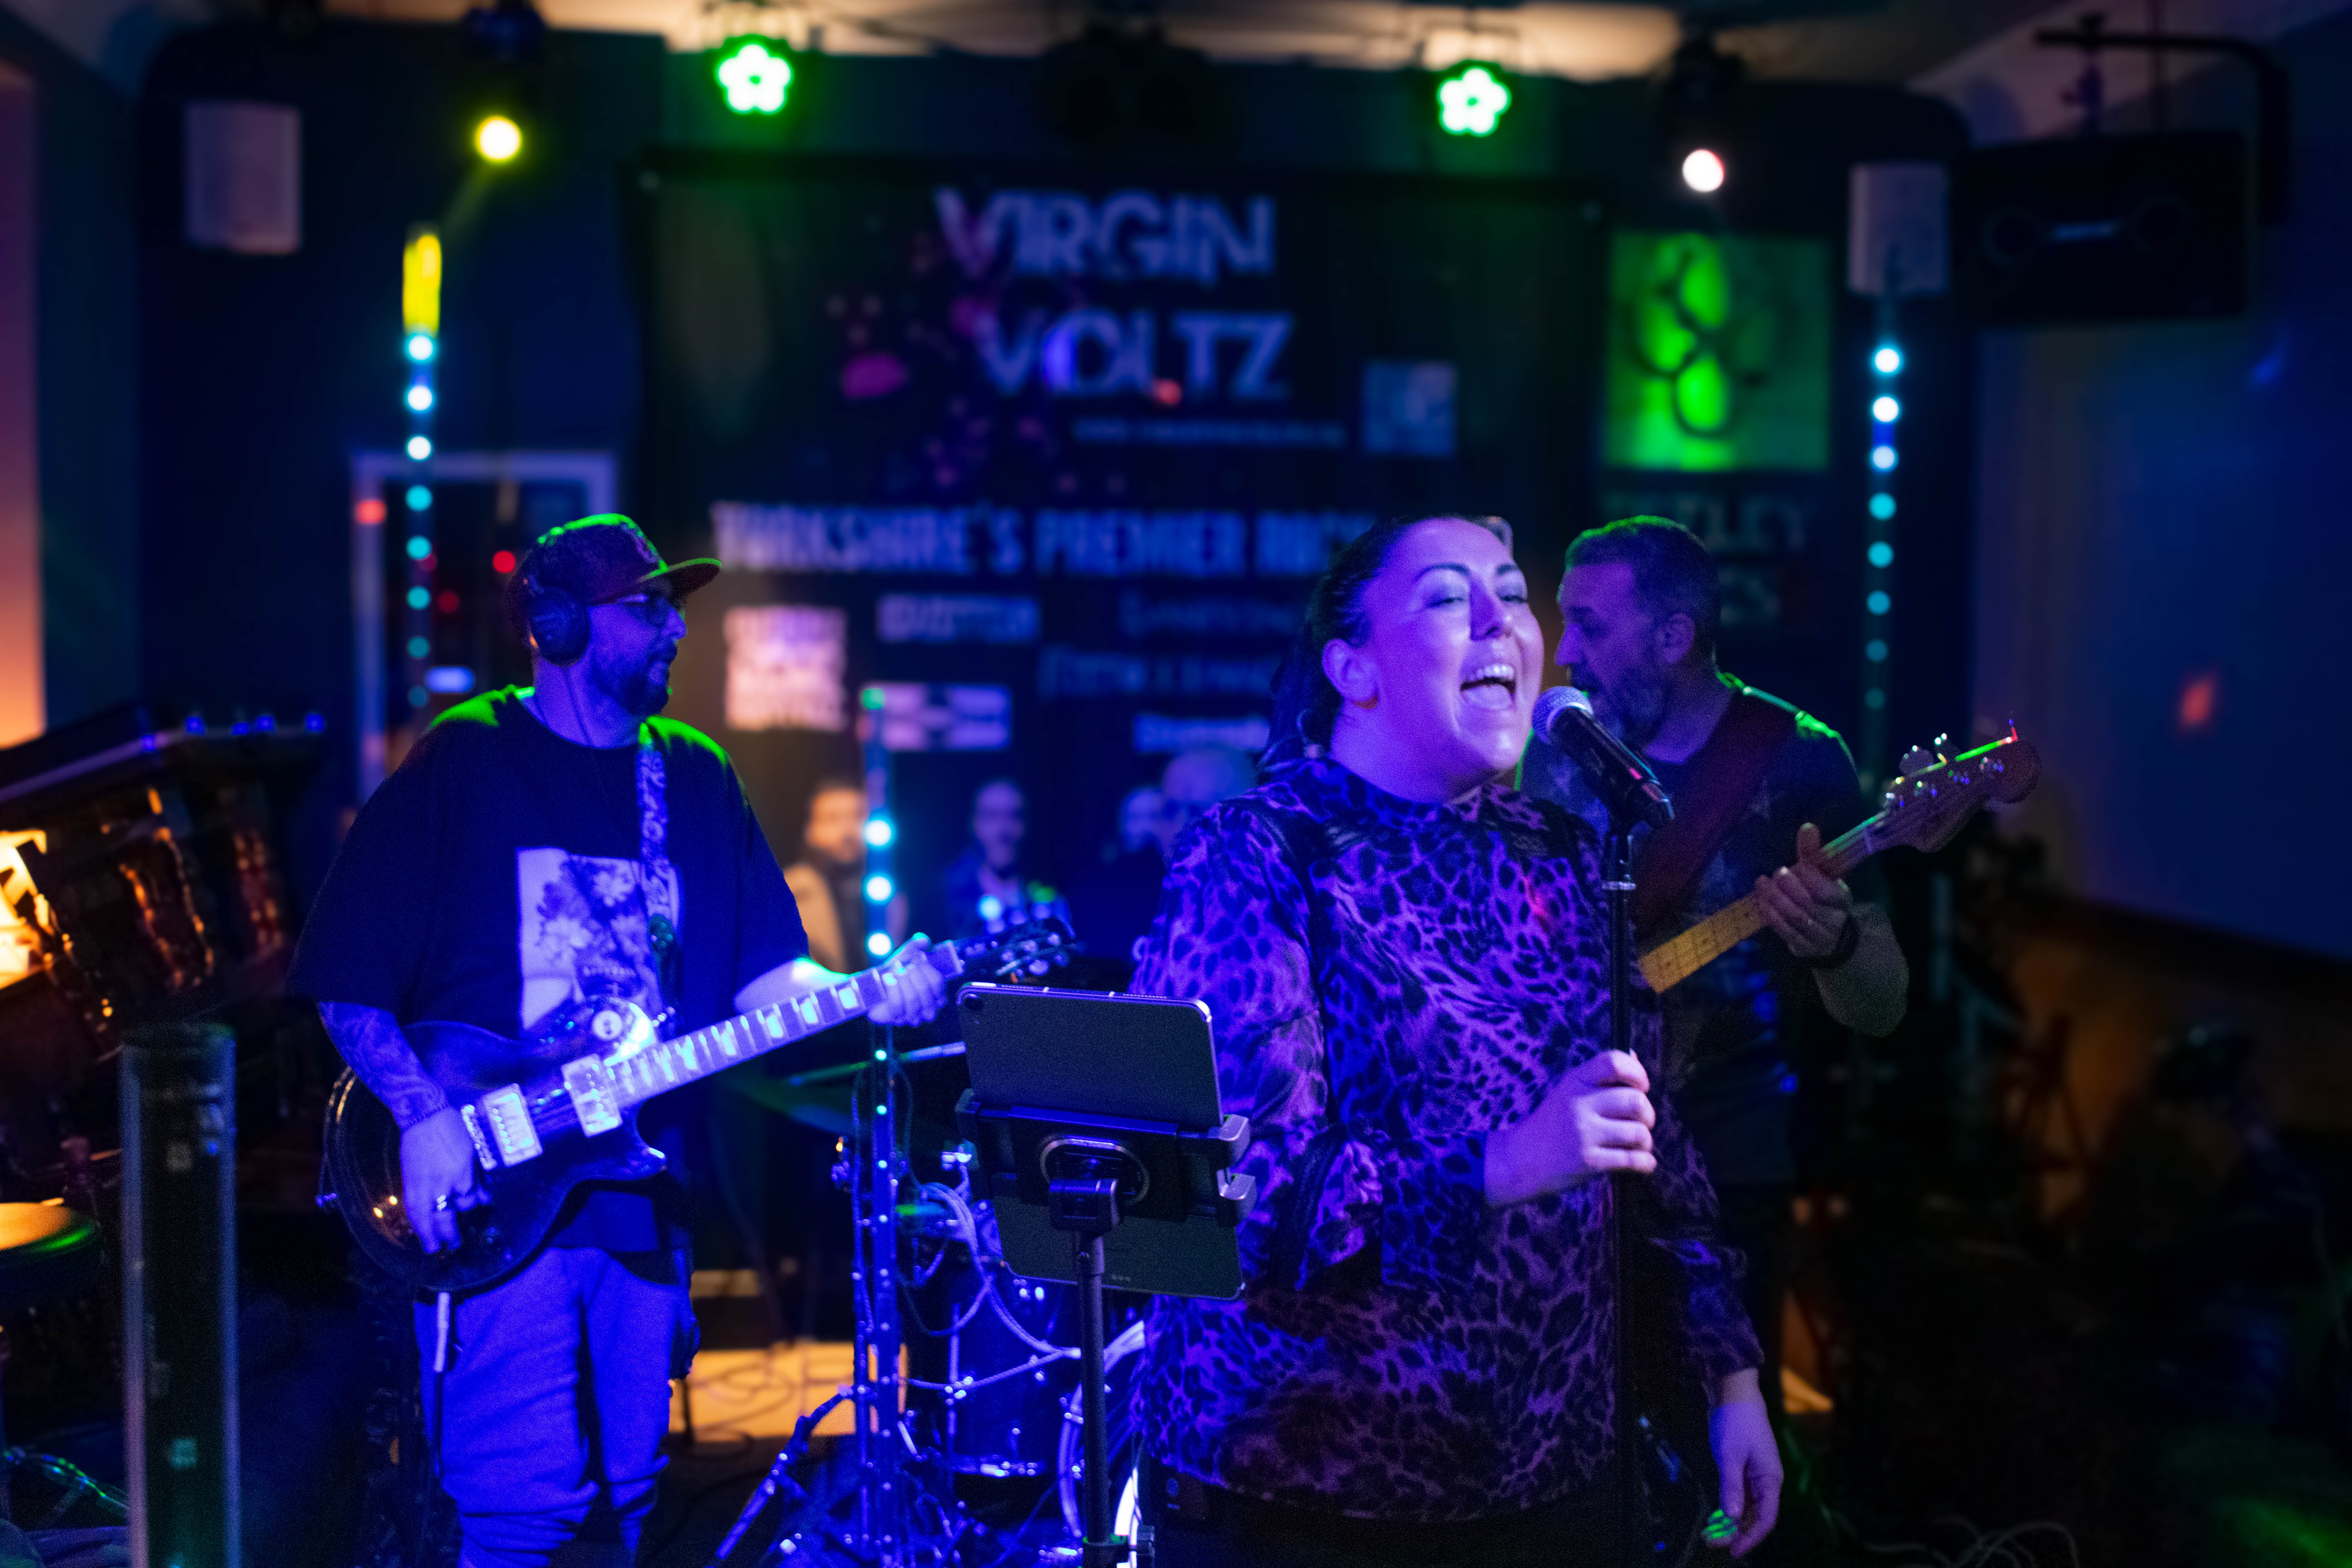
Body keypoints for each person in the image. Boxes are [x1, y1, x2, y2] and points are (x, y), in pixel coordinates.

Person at [287, 515, 946, 1568]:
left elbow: (768, 978)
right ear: (557, 625)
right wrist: (423, 1117)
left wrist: (872, 992)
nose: (675, 628)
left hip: (640, 1190)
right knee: (521, 1505)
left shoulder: (694, 776)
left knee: (630, 1498)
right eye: (648, 607)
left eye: (672, 607)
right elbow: (346, 976)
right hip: (501, 1194)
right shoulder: (467, 758)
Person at [1133, 514, 1777, 1566]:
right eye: (1446, 597)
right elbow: (1234, 1195)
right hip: (1305, 1486)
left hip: (1552, 1475)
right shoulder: (1260, 855)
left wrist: (1731, 1378)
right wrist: (1503, 1165)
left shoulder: (1567, 856)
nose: (1502, 621)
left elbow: (1654, 1143)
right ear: (1353, 668)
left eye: (1514, 595)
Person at [1521, 515, 1909, 1412]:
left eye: (1590, 625)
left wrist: (1834, 941)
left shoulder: (1800, 759)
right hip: (1572, 1149)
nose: (1566, 652)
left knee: (1722, 1439)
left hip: (1728, 1155)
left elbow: (1882, 1005)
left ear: (1673, 636)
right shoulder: (1558, 750)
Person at [783, 776, 907, 972]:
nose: (847, 831)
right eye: (833, 819)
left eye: (858, 816)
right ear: (810, 830)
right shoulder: (790, 892)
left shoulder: (892, 887)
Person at [938, 778, 1066, 939]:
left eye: (1014, 816)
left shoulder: (1051, 893)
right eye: (991, 817)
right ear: (973, 823)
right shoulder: (945, 899)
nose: (1003, 830)